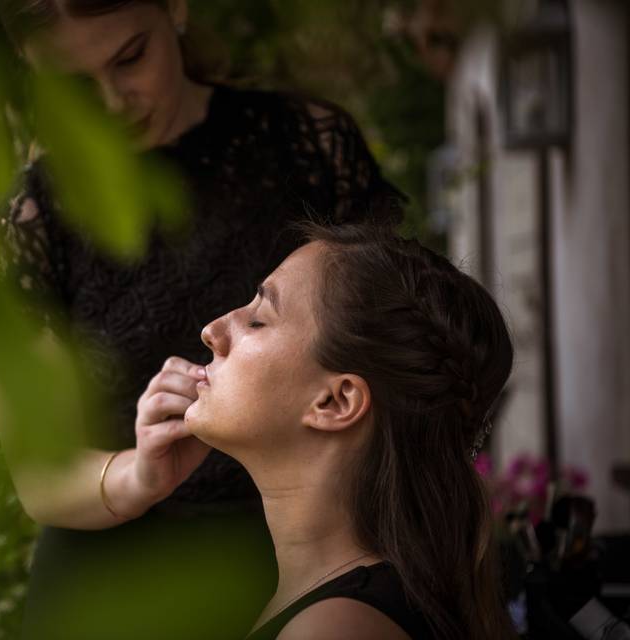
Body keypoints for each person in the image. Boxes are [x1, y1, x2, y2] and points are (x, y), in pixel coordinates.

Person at [0, 1, 406, 637]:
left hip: (307, 559)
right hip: (108, 582)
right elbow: (41, 472)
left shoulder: (309, 147)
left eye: (130, 58)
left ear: (176, 9)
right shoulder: (34, 222)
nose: (112, 103)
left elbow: (396, 361)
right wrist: (137, 474)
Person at [183, 222, 516, 640]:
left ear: (335, 402)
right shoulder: (333, 605)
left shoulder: (334, 629)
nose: (212, 332)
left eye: (257, 320)